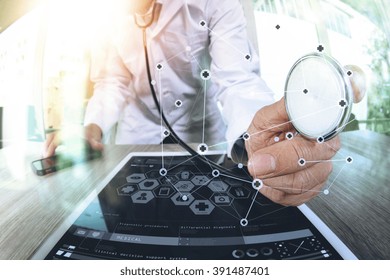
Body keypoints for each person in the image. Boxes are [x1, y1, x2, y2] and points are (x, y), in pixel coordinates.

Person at [44, 0, 342, 206]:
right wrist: (92, 128)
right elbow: (112, 82)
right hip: (137, 136)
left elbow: (237, 79)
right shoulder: (105, 16)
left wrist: (260, 138)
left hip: (203, 135)